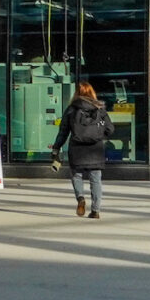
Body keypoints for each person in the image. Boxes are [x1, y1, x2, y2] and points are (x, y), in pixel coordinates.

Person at [50, 81, 114, 218]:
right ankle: (96, 211)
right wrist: (98, 136)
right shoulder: (100, 109)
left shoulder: (71, 109)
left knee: (76, 175)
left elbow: (63, 132)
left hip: (77, 148)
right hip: (95, 149)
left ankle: (80, 198)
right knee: (96, 179)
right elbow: (110, 129)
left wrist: (56, 148)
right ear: (92, 92)